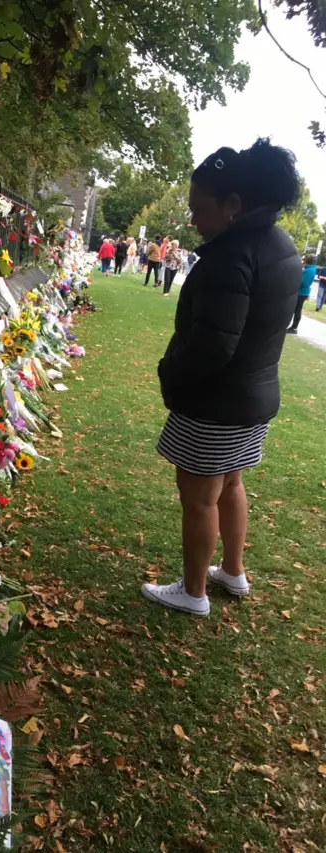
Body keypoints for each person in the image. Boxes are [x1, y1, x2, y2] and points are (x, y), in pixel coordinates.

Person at [142, 138, 301, 617]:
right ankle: (232, 571)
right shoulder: (279, 243)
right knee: (230, 483)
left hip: (216, 403)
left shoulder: (229, 256)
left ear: (233, 205)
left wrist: (170, 372)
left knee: (199, 498)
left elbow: (211, 345)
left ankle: (193, 592)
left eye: (199, 209)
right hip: (253, 398)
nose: (193, 220)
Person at [287, 255, 316, 333]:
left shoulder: (309, 270)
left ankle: (294, 328)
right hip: (301, 292)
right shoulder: (309, 269)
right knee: (295, 309)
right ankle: (292, 326)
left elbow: (304, 283)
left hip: (301, 292)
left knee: (297, 310)